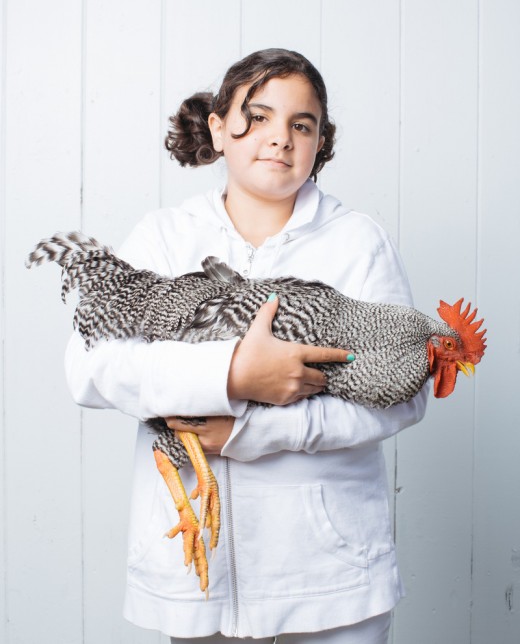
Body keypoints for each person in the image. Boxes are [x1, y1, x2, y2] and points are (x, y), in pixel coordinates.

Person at [65, 48, 428, 643]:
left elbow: (405, 396)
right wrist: (232, 376)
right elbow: (90, 369)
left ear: (319, 143)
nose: (279, 139)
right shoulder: (163, 237)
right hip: (197, 568)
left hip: (327, 573)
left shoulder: (357, 243)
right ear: (217, 127)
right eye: (257, 117)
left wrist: (250, 433)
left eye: (300, 125)